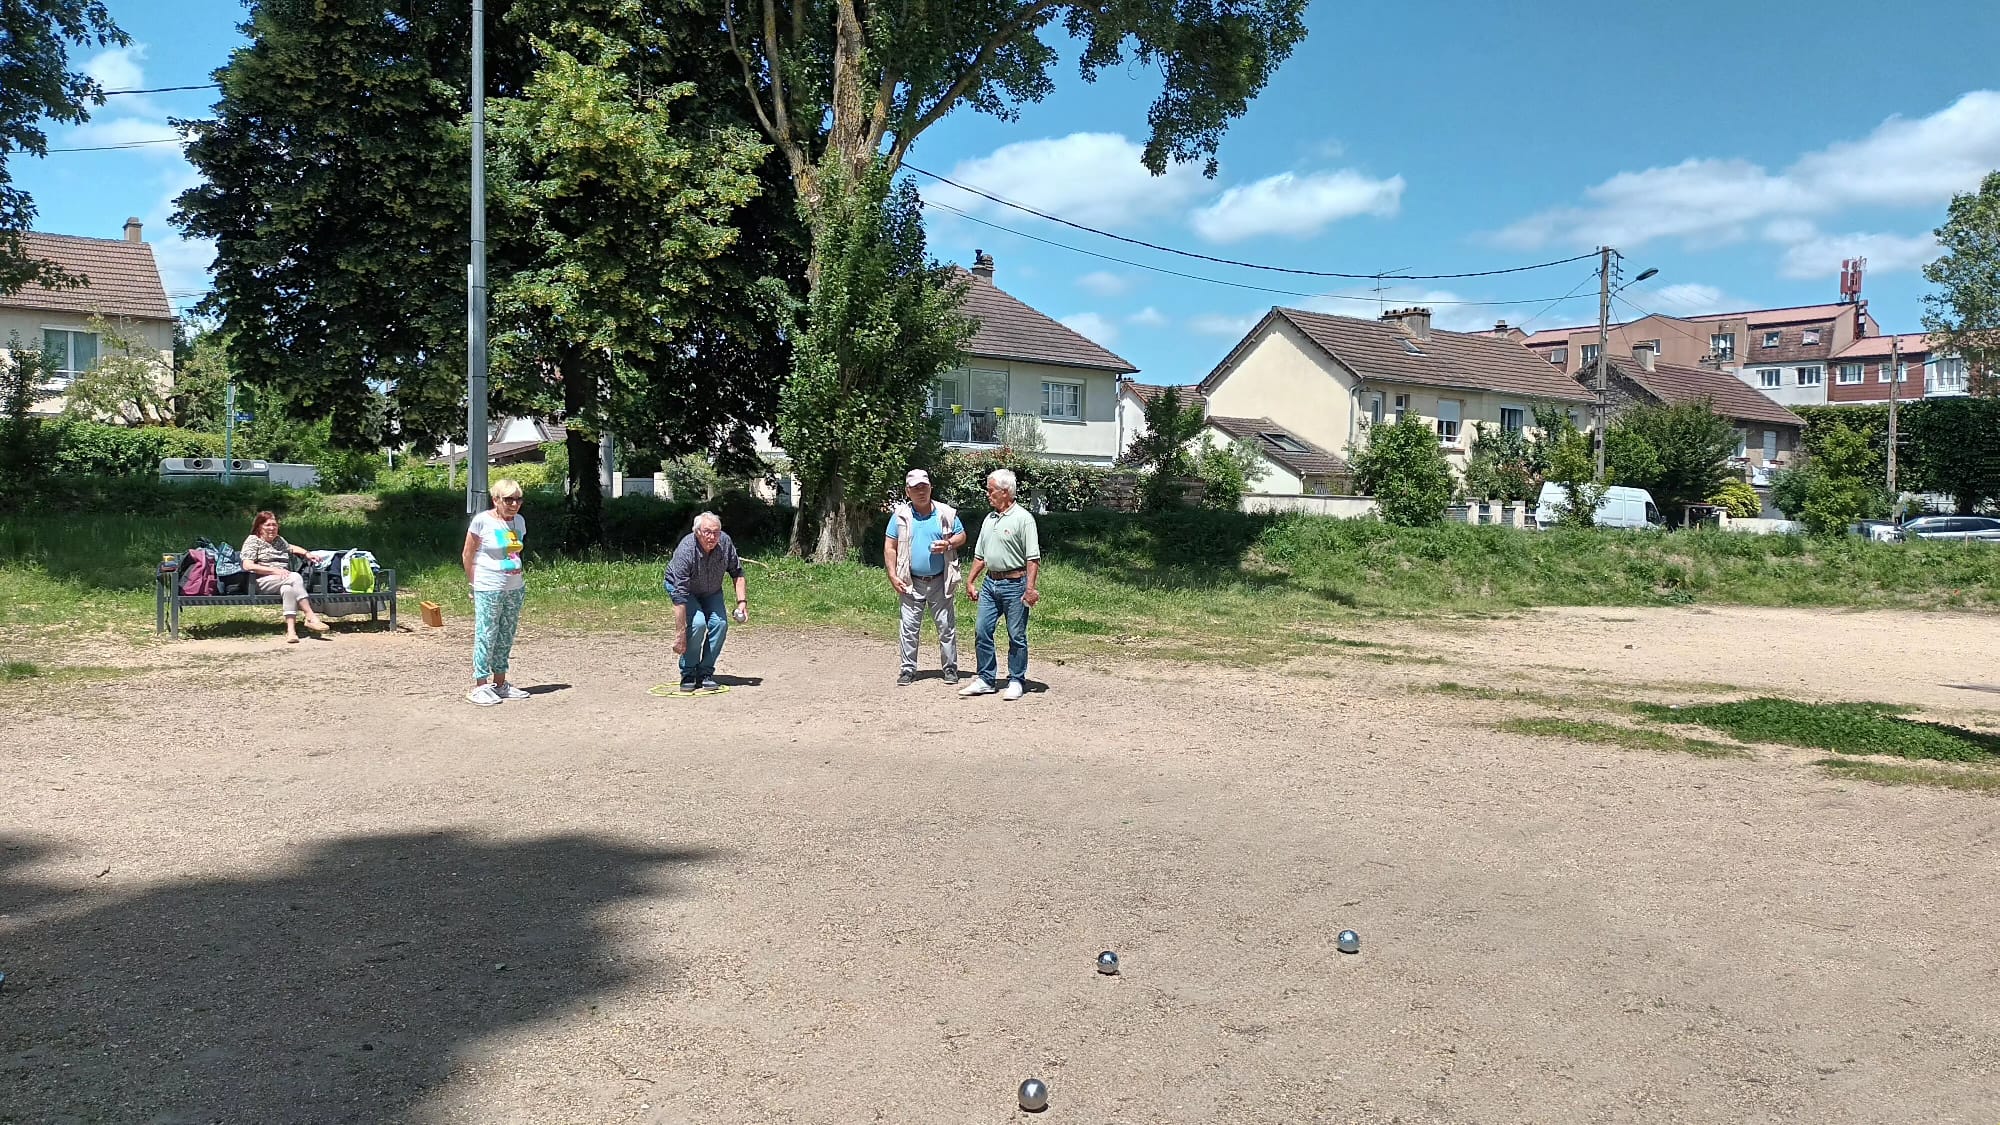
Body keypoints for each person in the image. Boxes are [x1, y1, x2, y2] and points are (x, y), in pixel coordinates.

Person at [960, 468, 1040, 701]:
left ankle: (1016, 679)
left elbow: (1032, 558)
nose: (988, 494)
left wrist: (1030, 589)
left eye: (991, 490)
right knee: (982, 630)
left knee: (1016, 635)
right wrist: (970, 580)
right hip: (990, 584)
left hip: (1015, 584)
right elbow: (980, 555)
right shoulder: (989, 519)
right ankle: (986, 678)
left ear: (1005, 492)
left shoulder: (1023, 519)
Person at [883, 469, 965, 686]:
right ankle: (907, 670)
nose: (921, 492)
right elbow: (890, 547)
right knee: (909, 628)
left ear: (930, 488)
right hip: (910, 581)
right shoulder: (900, 516)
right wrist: (892, 575)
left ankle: (950, 668)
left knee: (946, 626)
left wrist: (948, 544)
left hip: (940, 579)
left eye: (924, 487)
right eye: (915, 488)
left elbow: (961, 535)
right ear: (907, 492)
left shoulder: (946, 513)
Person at [462, 479, 529, 706]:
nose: (514, 504)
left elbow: (514, 552)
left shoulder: (519, 521)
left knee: (506, 634)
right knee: (487, 634)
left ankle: (500, 683)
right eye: (508, 500)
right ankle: (480, 685)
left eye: (518, 499)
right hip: (488, 586)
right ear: (496, 500)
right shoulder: (482, 521)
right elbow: (468, 554)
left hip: (514, 586)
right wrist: (473, 584)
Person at [664, 511, 747, 693]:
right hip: (684, 590)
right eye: (707, 532)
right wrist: (680, 636)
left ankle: (705, 673)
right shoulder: (686, 550)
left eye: (716, 532)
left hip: (711, 590)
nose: (712, 537)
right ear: (697, 532)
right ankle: (688, 672)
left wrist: (742, 603)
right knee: (698, 623)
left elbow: (737, 572)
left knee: (720, 624)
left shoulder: (725, 543)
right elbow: (679, 597)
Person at [240, 511, 330, 643]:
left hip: (282, 580)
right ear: (259, 527)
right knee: (295, 577)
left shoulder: (279, 540)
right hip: (260, 581)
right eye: (268, 525)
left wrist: (307, 554)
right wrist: (274, 571)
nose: (272, 528)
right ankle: (310, 615)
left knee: (288, 589)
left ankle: (291, 632)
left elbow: (291, 547)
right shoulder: (253, 541)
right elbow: (247, 565)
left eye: (274, 525)